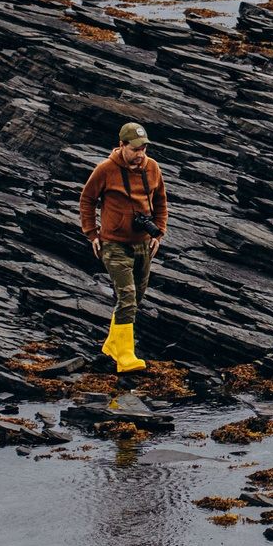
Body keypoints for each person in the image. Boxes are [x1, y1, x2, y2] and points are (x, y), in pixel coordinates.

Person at [79, 122, 169, 373]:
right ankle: (126, 356)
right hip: (114, 245)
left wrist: (158, 233)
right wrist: (92, 234)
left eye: (144, 149)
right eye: (136, 149)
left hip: (143, 244)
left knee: (135, 298)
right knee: (127, 297)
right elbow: (87, 200)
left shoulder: (152, 167)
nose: (141, 154)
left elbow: (161, 201)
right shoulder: (105, 169)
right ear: (122, 146)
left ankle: (111, 345)